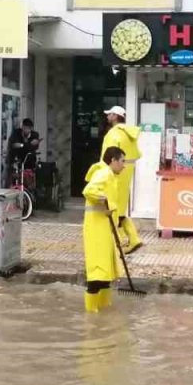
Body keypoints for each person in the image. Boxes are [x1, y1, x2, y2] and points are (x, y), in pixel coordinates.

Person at [82, 146, 127, 312]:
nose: (124, 165)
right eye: (122, 161)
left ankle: (102, 308)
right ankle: (91, 314)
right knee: (98, 272)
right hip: (96, 230)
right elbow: (89, 191)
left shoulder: (111, 175)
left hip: (105, 228)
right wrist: (105, 200)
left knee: (107, 271)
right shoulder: (104, 173)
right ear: (113, 160)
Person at [101, 106, 143, 254]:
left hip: (115, 173)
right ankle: (133, 238)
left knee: (112, 207)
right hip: (127, 172)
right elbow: (137, 154)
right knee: (120, 208)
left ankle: (117, 243)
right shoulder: (129, 133)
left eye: (109, 114)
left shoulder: (114, 134)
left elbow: (108, 156)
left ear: (115, 116)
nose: (107, 116)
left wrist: (101, 172)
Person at [7, 118, 41, 183]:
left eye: (28, 129)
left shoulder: (35, 135)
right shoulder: (16, 133)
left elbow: (35, 147)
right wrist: (28, 144)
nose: (26, 130)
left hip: (29, 162)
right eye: (24, 128)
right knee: (14, 178)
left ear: (31, 129)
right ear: (22, 127)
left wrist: (22, 145)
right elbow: (14, 145)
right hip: (17, 160)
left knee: (29, 180)